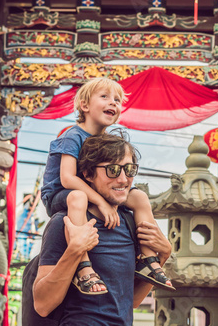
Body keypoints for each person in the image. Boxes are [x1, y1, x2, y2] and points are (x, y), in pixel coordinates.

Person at [40, 78, 174, 294]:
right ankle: (83, 266)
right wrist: (101, 201)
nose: (113, 103)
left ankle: (148, 259)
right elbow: (67, 179)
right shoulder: (72, 136)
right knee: (78, 197)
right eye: (104, 97)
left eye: (117, 100)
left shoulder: (105, 140)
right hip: (60, 194)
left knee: (139, 197)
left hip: (89, 189)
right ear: (84, 106)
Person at [33, 132, 172, 326]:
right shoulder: (64, 223)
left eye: (129, 169)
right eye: (113, 170)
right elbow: (42, 305)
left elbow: (129, 302)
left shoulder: (130, 224)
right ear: (88, 174)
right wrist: (75, 250)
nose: (123, 179)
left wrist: (162, 256)